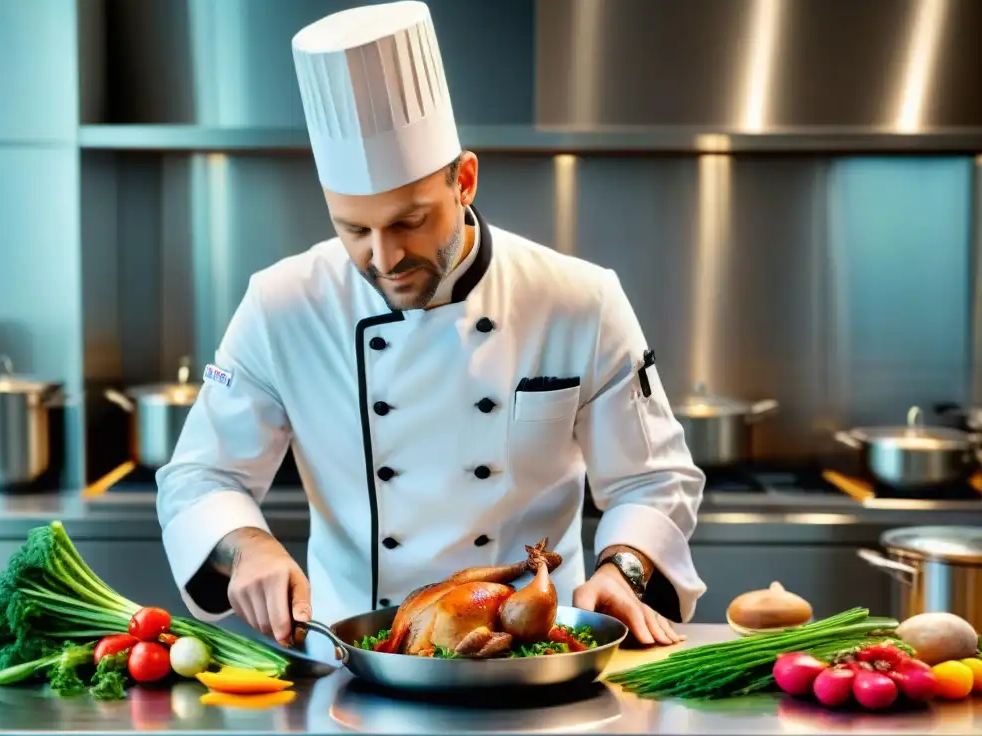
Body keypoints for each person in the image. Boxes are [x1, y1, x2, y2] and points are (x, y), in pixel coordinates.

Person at [155, 0, 707, 652]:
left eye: (410, 221)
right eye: (353, 229)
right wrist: (245, 548)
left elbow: (651, 478)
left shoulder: (578, 299)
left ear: (464, 180)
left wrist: (625, 567)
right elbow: (201, 478)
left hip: (530, 657)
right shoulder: (282, 305)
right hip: (349, 661)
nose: (383, 258)